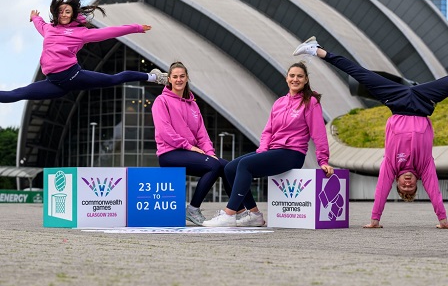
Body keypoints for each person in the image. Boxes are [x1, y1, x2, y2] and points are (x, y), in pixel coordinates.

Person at [293, 36, 448, 229]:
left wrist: (375, 221)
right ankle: (314, 49)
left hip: (397, 100)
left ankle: (315, 49)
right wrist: (443, 220)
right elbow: (434, 190)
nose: (407, 184)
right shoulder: (425, 166)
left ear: (397, 183)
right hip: (423, 101)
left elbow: (381, 190)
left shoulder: (390, 165)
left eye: (403, 187)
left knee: (359, 73)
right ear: (417, 182)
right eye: (411, 186)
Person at [202, 62, 334, 227]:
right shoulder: (279, 102)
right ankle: (254, 215)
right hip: (273, 150)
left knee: (244, 165)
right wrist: (263, 150)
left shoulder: (310, 102)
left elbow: (319, 133)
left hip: (292, 153)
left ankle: (229, 214)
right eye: (292, 75)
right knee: (229, 168)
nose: (295, 79)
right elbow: (268, 131)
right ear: (286, 78)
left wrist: (323, 160)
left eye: (300, 76)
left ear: (306, 79)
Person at [0, 0, 167, 103]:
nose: (63, 15)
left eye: (67, 12)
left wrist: (135, 28)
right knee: (18, 93)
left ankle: (154, 77)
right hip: (53, 83)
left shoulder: (81, 34)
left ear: (72, 14)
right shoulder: (49, 29)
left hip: (73, 76)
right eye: (60, 12)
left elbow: (110, 32)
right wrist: (35, 17)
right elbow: (40, 24)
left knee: (114, 79)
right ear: (56, 13)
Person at [151, 61, 238, 226]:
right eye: (175, 76)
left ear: (187, 78)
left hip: (190, 152)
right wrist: (190, 147)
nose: (178, 80)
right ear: (169, 79)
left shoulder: (193, 105)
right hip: (170, 153)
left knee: (226, 166)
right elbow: (165, 132)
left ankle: (237, 211)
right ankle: (193, 209)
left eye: (182, 76)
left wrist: (209, 152)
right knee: (213, 166)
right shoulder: (161, 101)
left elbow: (201, 134)